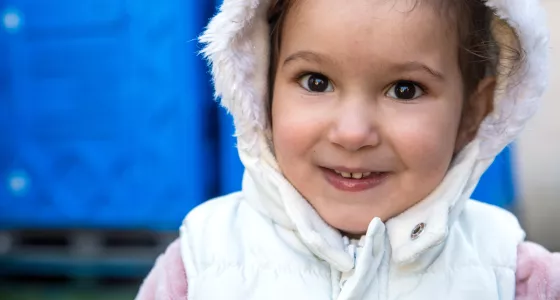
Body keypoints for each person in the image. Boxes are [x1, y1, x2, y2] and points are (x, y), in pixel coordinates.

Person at [136, 0, 560, 298]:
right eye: (316, 82)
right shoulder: (200, 265)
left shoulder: (515, 276)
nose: (353, 133)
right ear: (260, 87)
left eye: (405, 89)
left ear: (473, 112)